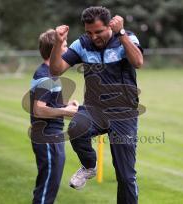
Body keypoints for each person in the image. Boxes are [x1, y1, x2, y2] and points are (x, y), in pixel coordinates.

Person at [49, 6, 143, 204]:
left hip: (123, 113)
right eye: (89, 32)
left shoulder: (126, 38)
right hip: (94, 109)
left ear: (110, 25)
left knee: (126, 177)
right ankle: (89, 166)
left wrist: (122, 33)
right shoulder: (81, 44)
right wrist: (58, 43)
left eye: (98, 32)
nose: (93, 37)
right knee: (76, 128)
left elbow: (138, 62)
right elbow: (56, 70)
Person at [30, 29, 79, 204]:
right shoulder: (45, 77)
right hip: (47, 138)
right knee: (47, 188)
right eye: (65, 46)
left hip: (52, 136)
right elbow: (39, 110)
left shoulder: (52, 74)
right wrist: (66, 111)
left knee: (50, 185)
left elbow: (50, 106)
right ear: (55, 50)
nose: (68, 50)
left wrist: (66, 107)